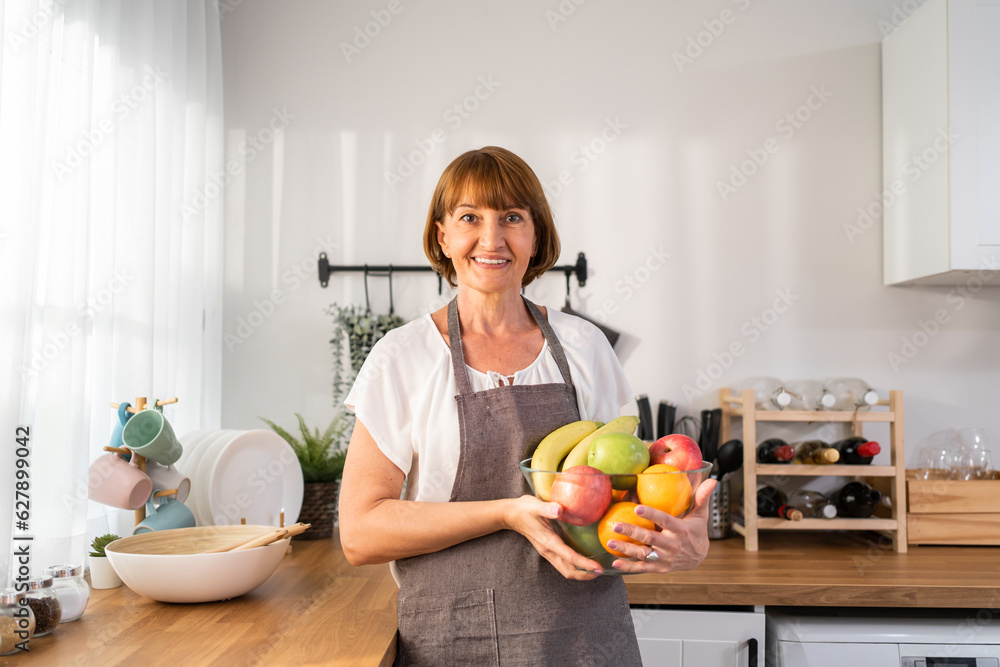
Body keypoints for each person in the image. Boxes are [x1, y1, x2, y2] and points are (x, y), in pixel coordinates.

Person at [339, 146, 716, 665]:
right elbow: (360, 534)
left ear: (535, 236)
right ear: (443, 234)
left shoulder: (586, 347)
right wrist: (506, 513)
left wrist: (687, 542)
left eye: (512, 218)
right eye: (470, 217)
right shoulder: (401, 358)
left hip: (582, 641)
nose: (491, 239)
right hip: (453, 643)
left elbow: (628, 498)